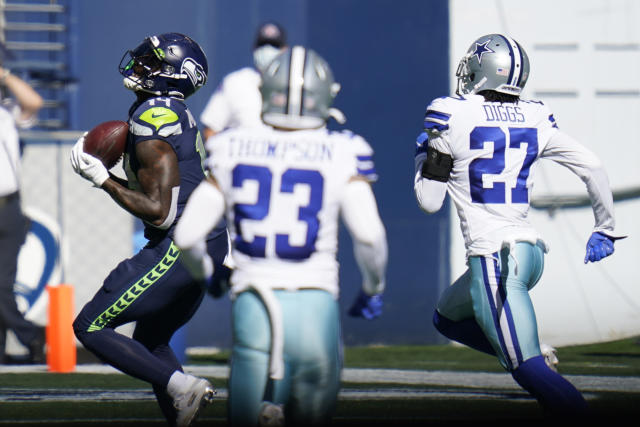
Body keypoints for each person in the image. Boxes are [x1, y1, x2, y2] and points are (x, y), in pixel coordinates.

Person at [174, 46, 388, 426]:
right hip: (314, 302)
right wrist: (373, 287)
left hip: (253, 298)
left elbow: (188, 235)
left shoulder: (231, 146)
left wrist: (206, 274)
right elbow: (370, 237)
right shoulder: (344, 150)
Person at [413, 33, 624, 417]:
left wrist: (422, 156)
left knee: (529, 373)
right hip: (529, 255)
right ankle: (527, 347)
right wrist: (604, 226)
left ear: (481, 71)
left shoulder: (450, 113)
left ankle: (529, 356)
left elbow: (430, 201)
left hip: (495, 262)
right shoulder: (536, 115)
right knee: (446, 317)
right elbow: (591, 165)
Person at [69, 33, 228, 427]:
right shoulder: (166, 109)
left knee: (90, 325)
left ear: (172, 74)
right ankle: (180, 405)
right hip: (207, 241)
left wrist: (102, 178)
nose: (140, 65)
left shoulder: (154, 115)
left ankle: (182, 386)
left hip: (180, 243)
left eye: (151, 62)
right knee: (151, 341)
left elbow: (159, 211)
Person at [0, 45, 44, 365]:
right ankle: (22, 340)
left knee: (2, 282)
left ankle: (30, 335)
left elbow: (33, 102)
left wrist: (3, 75)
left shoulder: (6, 110)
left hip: (7, 206)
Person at [199, 21, 288, 140]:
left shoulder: (298, 85)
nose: (267, 50)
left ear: (285, 50)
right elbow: (211, 129)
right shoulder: (235, 82)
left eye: (274, 46)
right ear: (254, 49)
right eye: (263, 45)